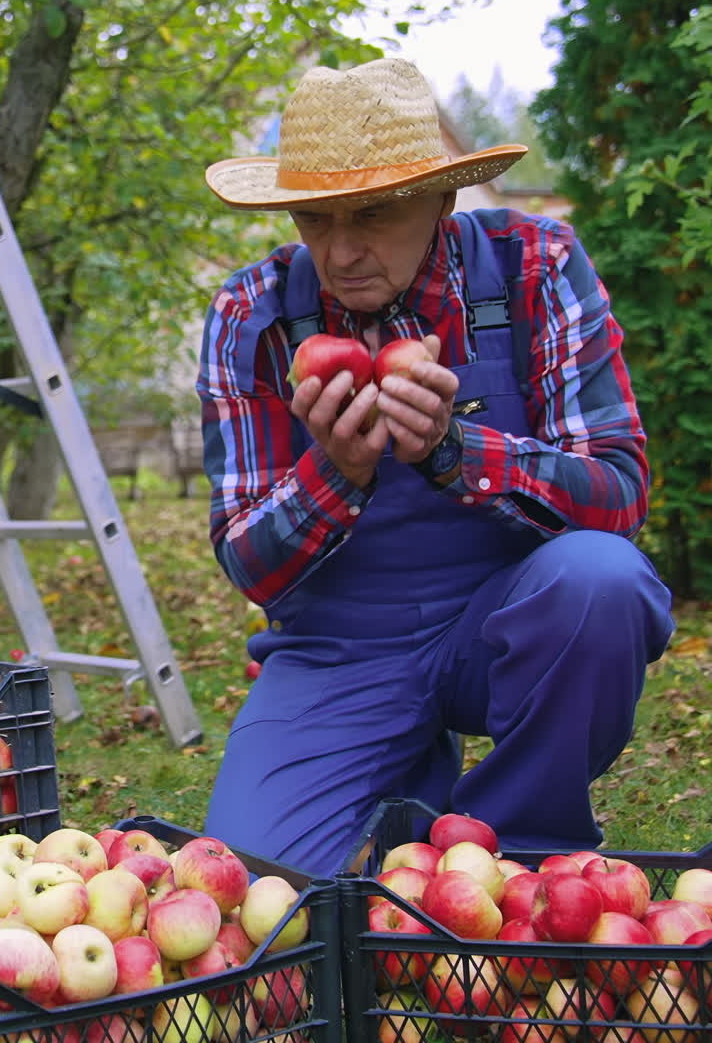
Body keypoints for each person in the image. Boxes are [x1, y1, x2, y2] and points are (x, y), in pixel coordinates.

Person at [197, 56, 674, 877]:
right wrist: (336, 471)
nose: (341, 251)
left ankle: (512, 841)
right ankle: (406, 797)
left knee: (602, 581)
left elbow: (619, 495)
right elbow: (249, 563)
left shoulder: (536, 267)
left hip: (504, 625)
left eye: (374, 213)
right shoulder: (255, 314)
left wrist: (456, 450)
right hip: (336, 651)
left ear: (442, 200)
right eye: (315, 216)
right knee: (253, 889)